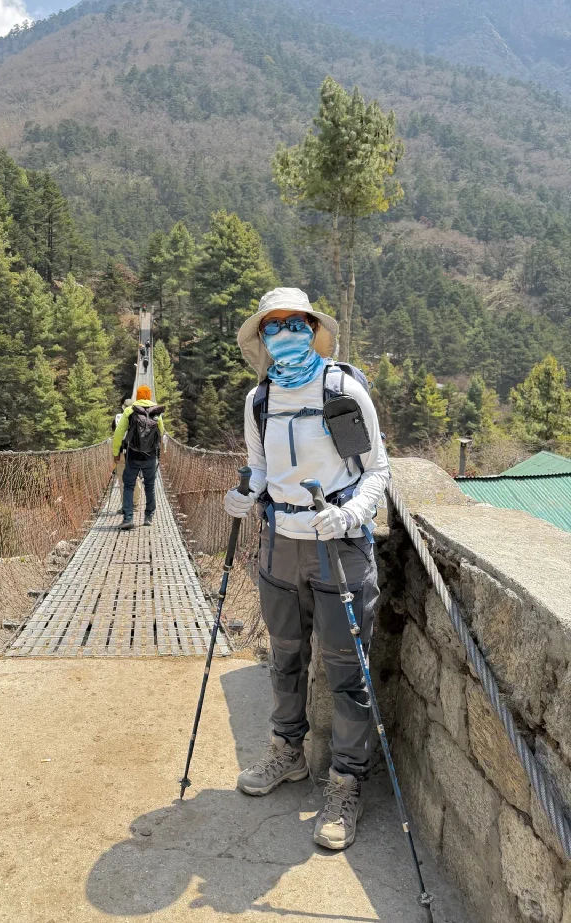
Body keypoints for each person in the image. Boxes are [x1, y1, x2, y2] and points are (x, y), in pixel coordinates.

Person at [224, 287, 389, 851]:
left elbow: (376, 469)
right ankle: (287, 753)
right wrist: (244, 495)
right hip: (280, 543)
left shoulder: (340, 390)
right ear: (263, 338)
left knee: (345, 668)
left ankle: (345, 783)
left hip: (337, 545)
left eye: (295, 322)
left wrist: (350, 515)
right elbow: (261, 468)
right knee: (285, 656)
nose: (284, 333)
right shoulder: (260, 400)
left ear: (313, 327)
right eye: (273, 326)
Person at [112, 385, 165, 530]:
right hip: (150, 456)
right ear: (149, 396)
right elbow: (162, 432)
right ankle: (148, 517)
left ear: (137, 396)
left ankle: (128, 518)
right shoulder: (156, 412)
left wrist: (116, 452)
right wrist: (160, 450)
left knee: (128, 485)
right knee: (150, 486)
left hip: (133, 455)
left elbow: (118, 434)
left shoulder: (130, 410)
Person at [112, 396, 132, 490]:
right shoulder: (138, 417)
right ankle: (135, 502)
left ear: (123, 407)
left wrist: (115, 453)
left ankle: (125, 502)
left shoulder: (117, 417)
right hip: (134, 452)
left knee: (121, 478)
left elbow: (115, 435)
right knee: (134, 477)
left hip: (121, 453)